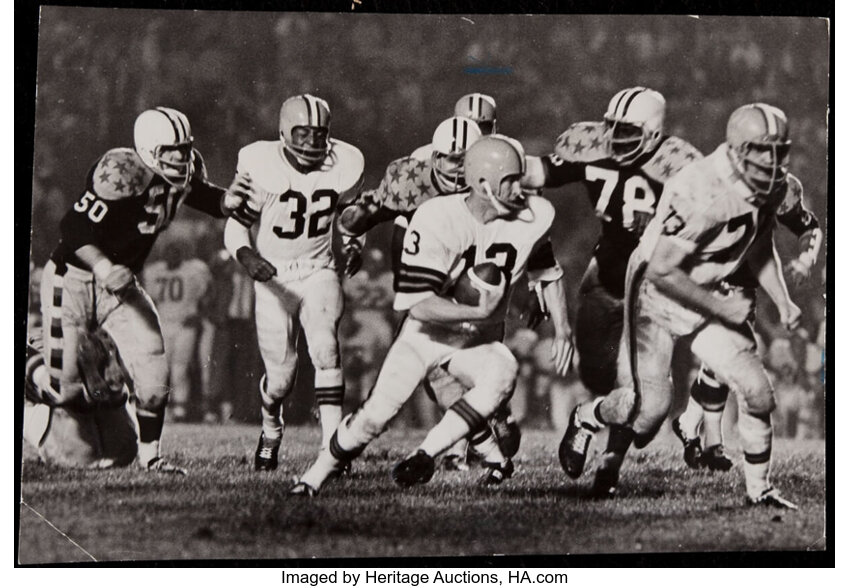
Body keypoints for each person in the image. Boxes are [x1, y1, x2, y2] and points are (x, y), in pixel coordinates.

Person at [292, 135, 573, 496]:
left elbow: (548, 271)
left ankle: (426, 454)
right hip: (427, 333)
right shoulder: (438, 217)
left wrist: (562, 328)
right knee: (374, 418)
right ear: (483, 184)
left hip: (475, 340)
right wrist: (475, 309)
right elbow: (418, 304)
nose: (521, 188)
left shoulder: (531, 218)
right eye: (511, 180)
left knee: (503, 370)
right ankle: (313, 478)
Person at [559, 103, 802, 509]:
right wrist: (721, 309)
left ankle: (760, 491)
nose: (772, 161)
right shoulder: (702, 188)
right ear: (737, 148)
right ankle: (588, 416)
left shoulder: (771, 185)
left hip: (707, 290)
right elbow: (661, 271)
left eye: (779, 150)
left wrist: (783, 300)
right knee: (646, 410)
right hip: (657, 294)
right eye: (762, 149)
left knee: (759, 392)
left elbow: (758, 244)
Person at [24, 107, 250, 470]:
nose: (181, 157)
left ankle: (152, 458)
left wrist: (227, 202)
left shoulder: (183, 169)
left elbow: (200, 195)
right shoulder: (123, 171)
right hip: (75, 278)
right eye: (170, 151)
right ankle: (23, 359)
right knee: (63, 389)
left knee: (153, 364)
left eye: (184, 148)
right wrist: (103, 265)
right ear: (148, 149)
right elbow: (73, 228)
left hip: (121, 284)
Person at [522, 87, 702, 495]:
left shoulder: (681, 166)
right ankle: (593, 418)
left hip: (653, 294)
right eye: (613, 129)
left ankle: (605, 459)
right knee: (599, 377)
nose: (616, 139)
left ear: (655, 134)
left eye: (629, 131)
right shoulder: (591, 146)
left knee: (648, 405)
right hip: (606, 278)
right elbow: (538, 172)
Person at [339, 115, 518, 471]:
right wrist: (357, 223)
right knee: (437, 370)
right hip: (427, 279)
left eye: (465, 160)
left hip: (473, 281)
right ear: (433, 159)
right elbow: (358, 217)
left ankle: (483, 428)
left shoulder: (492, 183)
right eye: (452, 159)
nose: (459, 168)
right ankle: (474, 441)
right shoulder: (410, 181)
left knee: (460, 364)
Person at [223, 94, 364, 471]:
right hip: (274, 276)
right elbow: (236, 224)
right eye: (302, 134)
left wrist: (353, 245)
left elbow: (352, 219)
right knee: (281, 378)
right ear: (284, 131)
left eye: (319, 135)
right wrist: (247, 256)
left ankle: (334, 449)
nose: (311, 144)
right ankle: (271, 428)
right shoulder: (261, 165)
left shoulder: (342, 164)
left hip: (319, 270)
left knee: (326, 349)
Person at [142, 240, 213, 421]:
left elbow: (208, 293)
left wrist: (198, 312)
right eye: (169, 252)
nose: (172, 256)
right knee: (162, 367)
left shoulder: (194, 271)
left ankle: (180, 408)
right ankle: (164, 407)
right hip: (163, 323)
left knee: (179, 368)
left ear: (182, 255)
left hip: (184, 324)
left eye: (176, 252)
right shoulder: (154, 271)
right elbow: (148, 299)